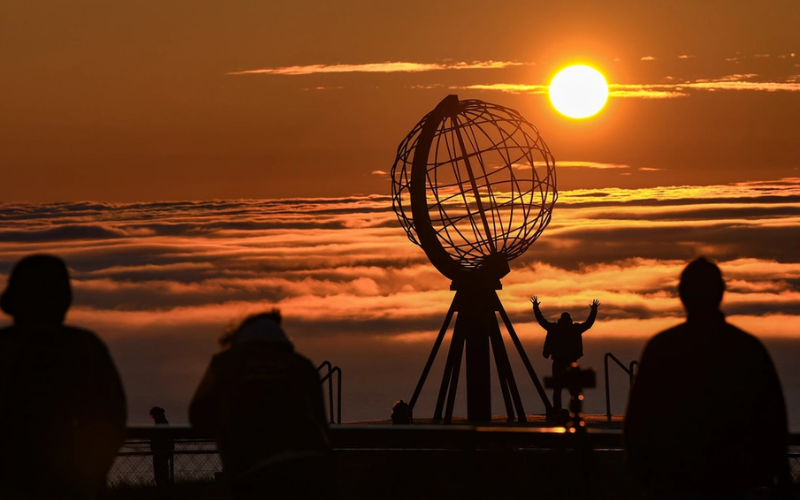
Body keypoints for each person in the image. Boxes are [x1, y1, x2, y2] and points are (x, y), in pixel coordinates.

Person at [624, 258, 791, 499]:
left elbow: (639, 418)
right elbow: (773, 417)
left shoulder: (661, 348)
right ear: (721, 293)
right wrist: (778, 474)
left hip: (673, 480)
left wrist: (641, 473)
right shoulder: (747, 349)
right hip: (733, 480)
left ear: (681, 295)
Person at [0, 255, 127, 499]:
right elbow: (112, 414)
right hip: (71, 477)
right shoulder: (85, 347)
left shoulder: (4, 347)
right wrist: (92, 473)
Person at [189, 310, 332, 500]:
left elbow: (198, 415)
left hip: (253, 466)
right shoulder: (301, 365)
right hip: (311, 464)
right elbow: (321, 420)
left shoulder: (226, 364)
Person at [531, 296, 599, 419]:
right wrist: (594, 310)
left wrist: (535, 307)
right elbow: (589, 323)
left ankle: (557, 411)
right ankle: (576, 412)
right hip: (571, 363)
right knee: (573, 390)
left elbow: (541, 321)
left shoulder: (554, 328)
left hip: (557, 362)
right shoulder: (575, 329)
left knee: (557, 389)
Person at [149, 406, 174, 491]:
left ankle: (162, 488)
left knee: (161, 472)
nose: (153, 418)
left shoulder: (161, 424)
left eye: (153, 416)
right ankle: (162, 487)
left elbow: (160, 438)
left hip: (161, 451)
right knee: (162, 471)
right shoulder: (162, 423)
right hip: (160, 451)